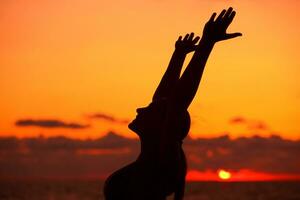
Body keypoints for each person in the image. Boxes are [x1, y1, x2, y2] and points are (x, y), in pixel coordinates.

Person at [104, 7, 242, 200]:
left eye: (149, 110)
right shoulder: (156, 160)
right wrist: (178, 56)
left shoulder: (163, 163)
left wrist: (206, 44)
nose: (139, 108)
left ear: (164, 125)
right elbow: (164, 102)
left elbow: (175, 105)